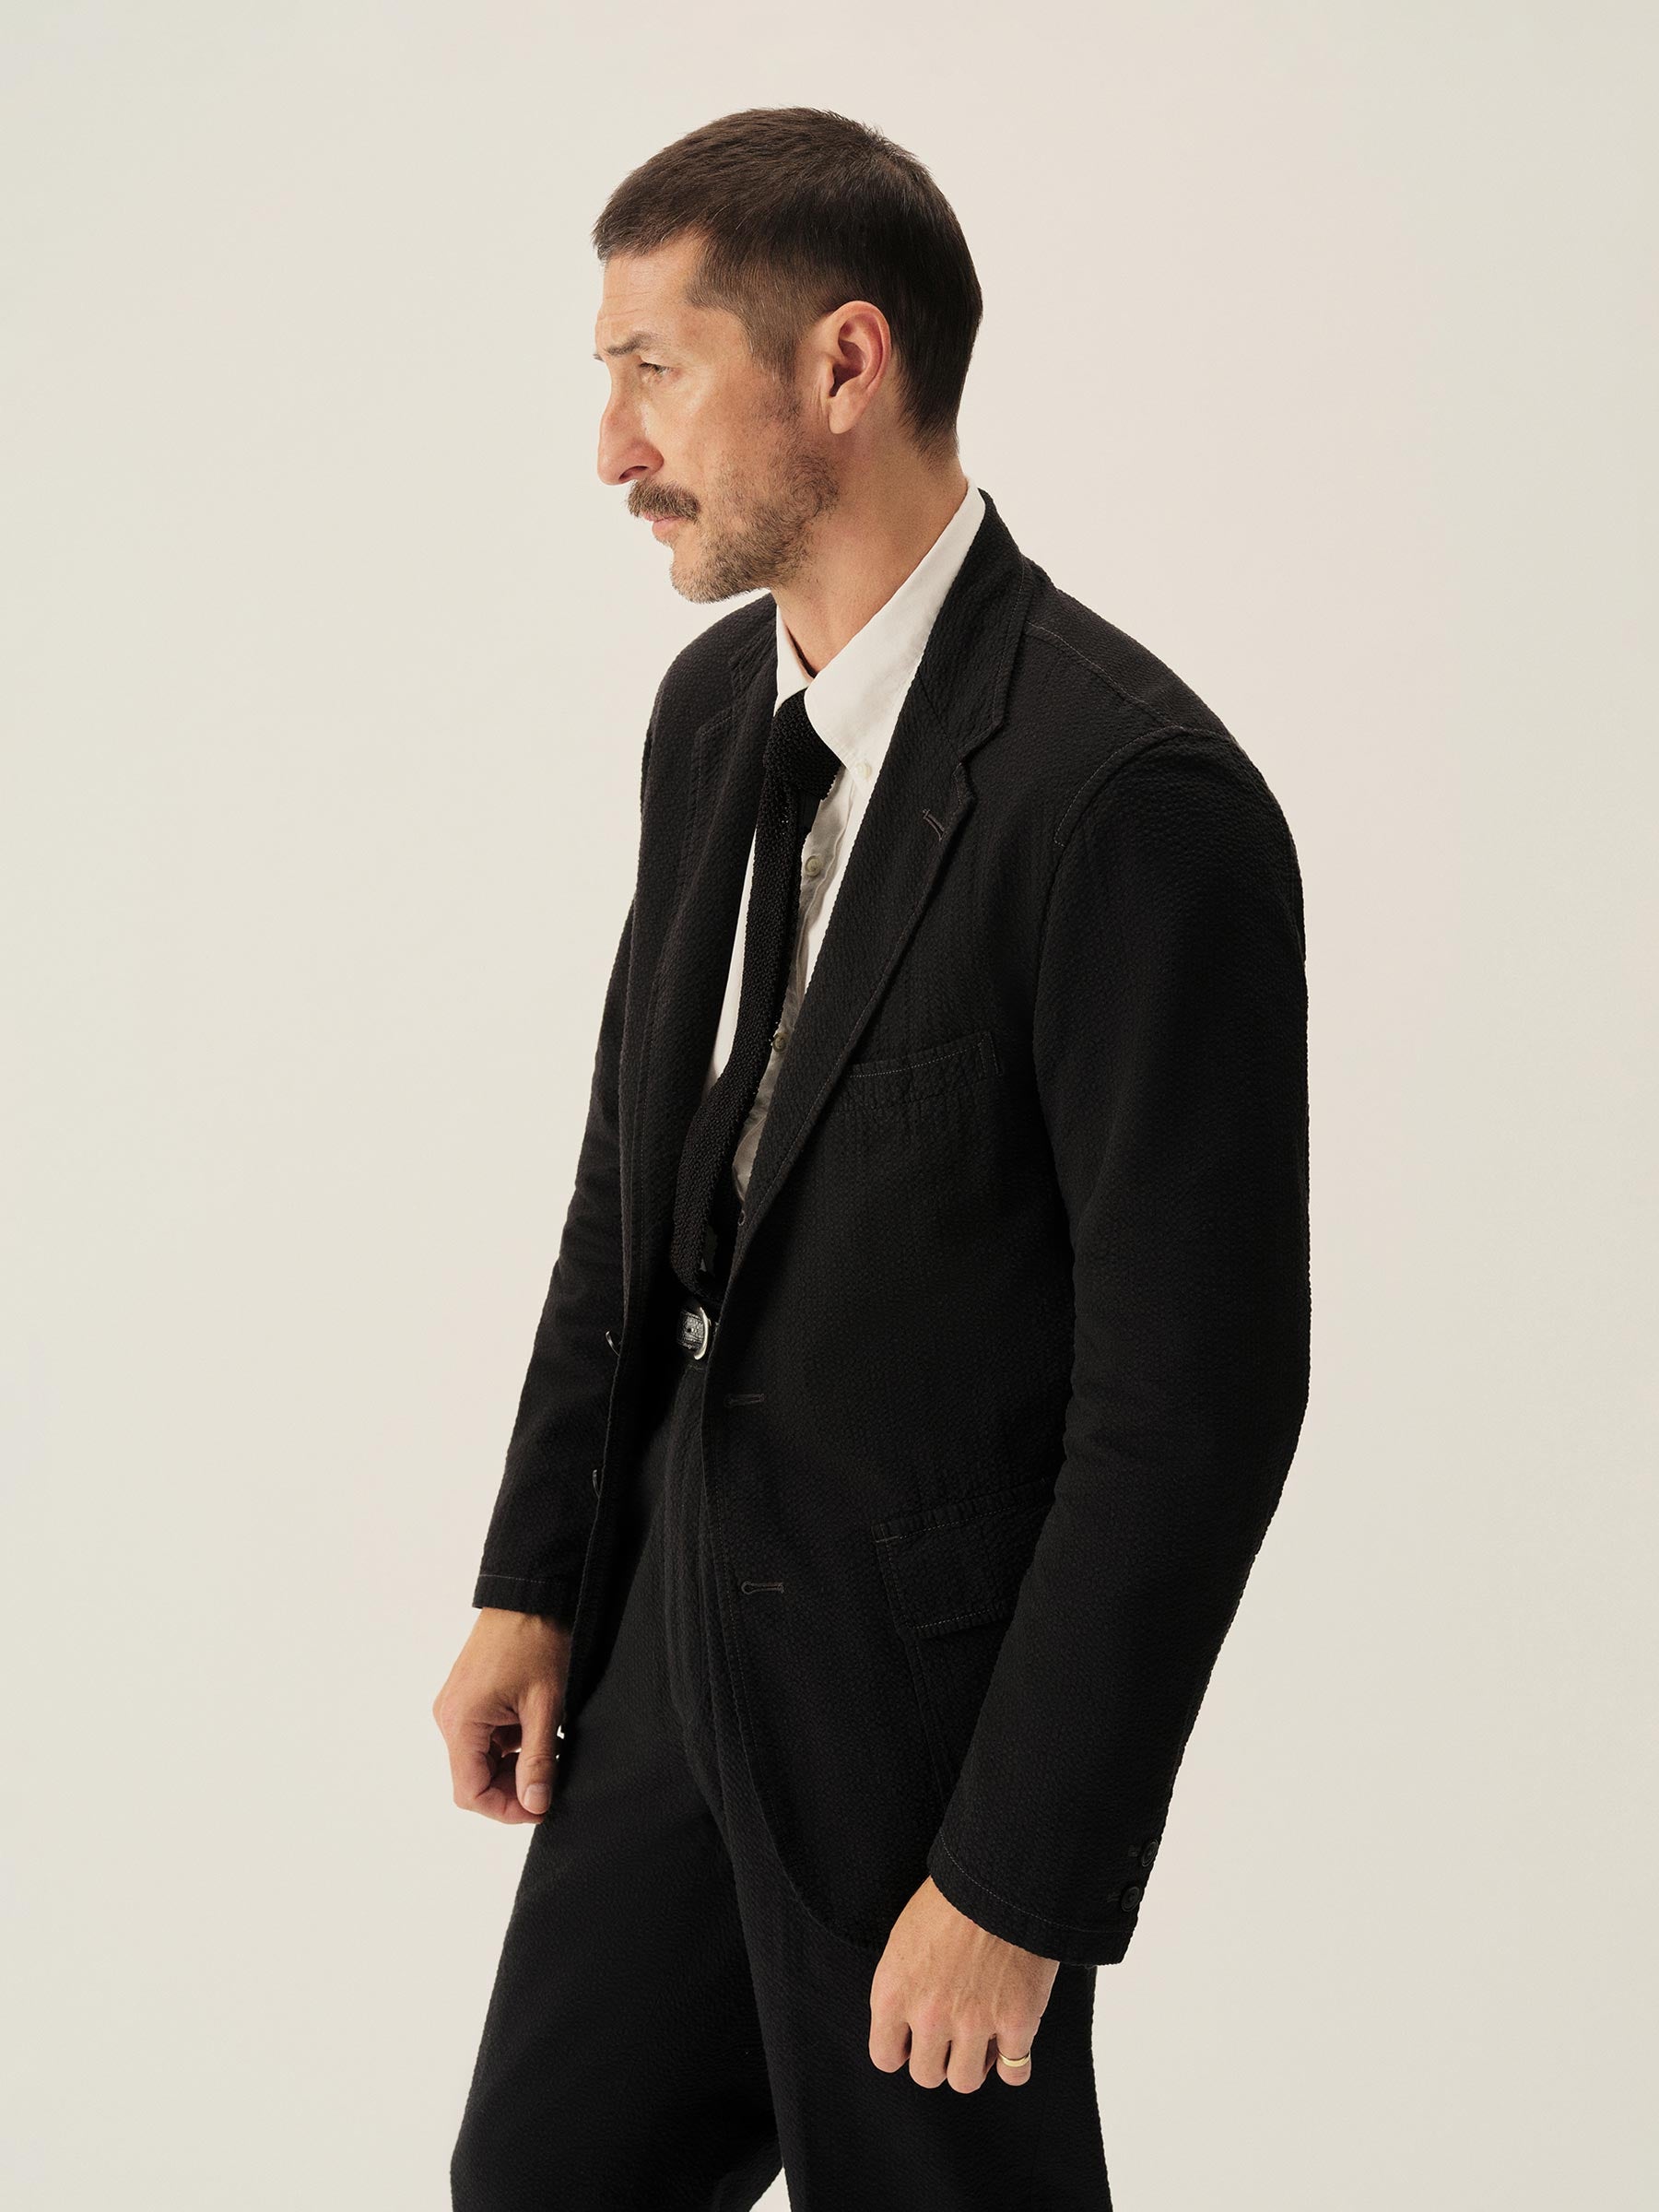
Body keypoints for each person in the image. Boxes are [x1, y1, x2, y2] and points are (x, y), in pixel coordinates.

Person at [433, 104, 1310, 2211]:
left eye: (656, 370)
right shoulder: (706, 720)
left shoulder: (1129, 799)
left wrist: (1020, 1872)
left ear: (845, 364)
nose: (614, 447)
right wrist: (538, 1576)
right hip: (669, 1666)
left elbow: (1193, 1407)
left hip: (928, 1743)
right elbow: (630, 1185)